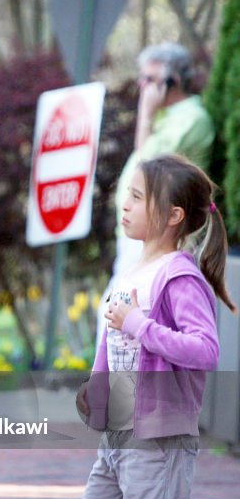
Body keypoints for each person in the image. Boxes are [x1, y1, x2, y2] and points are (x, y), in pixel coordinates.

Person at [68, 153, 235, 499]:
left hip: (159, 440)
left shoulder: (179, 274)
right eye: (128, 194)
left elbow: (204, 349)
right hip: (118, 437)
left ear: (173, 215)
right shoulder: (130, 273)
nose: (126, 205)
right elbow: (113, 347)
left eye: (138, 197)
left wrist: (140, 325)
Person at [99, 43, 215, 341]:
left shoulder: (191, 118)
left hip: (161, 234)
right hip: (141, 234)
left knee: (119, 317)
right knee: (114, 316)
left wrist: (146, 113)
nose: (143, 87)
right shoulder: (168, 118)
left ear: (174, 81)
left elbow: (148, 167)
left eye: (150, 79)